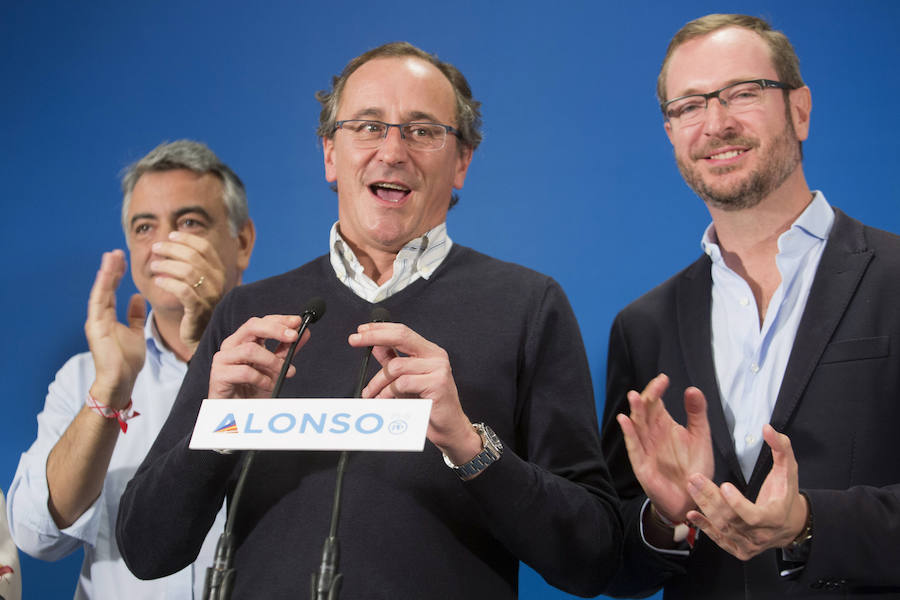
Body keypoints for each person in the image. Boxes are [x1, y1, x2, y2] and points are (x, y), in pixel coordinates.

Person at [115, 42, 622, 599]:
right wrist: (214, 433)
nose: (393, 150)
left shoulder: (530, 307)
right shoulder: (246, 314)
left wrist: (470, 447)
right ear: (330, 153)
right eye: (368, 127)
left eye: (423, 130)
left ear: (462, 162)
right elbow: (146, 550)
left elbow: (591, 554)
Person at [600, 13, 900, 599]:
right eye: (689, 106)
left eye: (742, 93)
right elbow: (615, 563)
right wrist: (665, 521)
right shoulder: (642, 327)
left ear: (800, 109)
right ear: (671, 134)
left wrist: (810, 522)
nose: (716, 123)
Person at [7, 140, 256, 599]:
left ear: (241, 242)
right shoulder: (85, 377)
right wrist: (109, 392)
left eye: (189, 223)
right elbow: (37, 537)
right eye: (145, 227)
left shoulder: (291, 367)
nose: (163, 244)